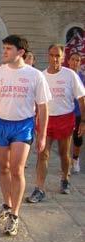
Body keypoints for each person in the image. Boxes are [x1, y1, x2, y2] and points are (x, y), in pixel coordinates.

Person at [0, 35, 51, 236]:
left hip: (23, 126)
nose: (4, 52)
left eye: (9, 48)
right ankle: (7, 204)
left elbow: (43, 108)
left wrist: (42, 134)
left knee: (17, 169)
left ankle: (14, 215)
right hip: (1, 124)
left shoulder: (35, 76)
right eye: (4, 48)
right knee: (4, 168)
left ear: (20, 52)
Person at [26, 45, 85, 201]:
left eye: (58, 56)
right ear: (48, 56)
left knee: (64, 154)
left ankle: (65, 178)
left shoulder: (70, 75)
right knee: (42, 154)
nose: (55, 59)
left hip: (65, 118)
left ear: (63, 57)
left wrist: (83, 121)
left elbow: (81, 98)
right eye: (52, 55)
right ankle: (39, 188)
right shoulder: (41, 76)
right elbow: (35, 100)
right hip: (46, 119)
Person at [68, 52, 85, 174]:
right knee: (66, 139)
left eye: (77, 60)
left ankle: (75, 159)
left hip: (79, 113)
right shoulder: (63, 75)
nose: (75, 62)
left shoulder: (83, 78)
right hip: (66, 112)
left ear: (80, 63)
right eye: (73, 59)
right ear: (68, 61)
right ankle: (66, 162)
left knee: (78, 138)